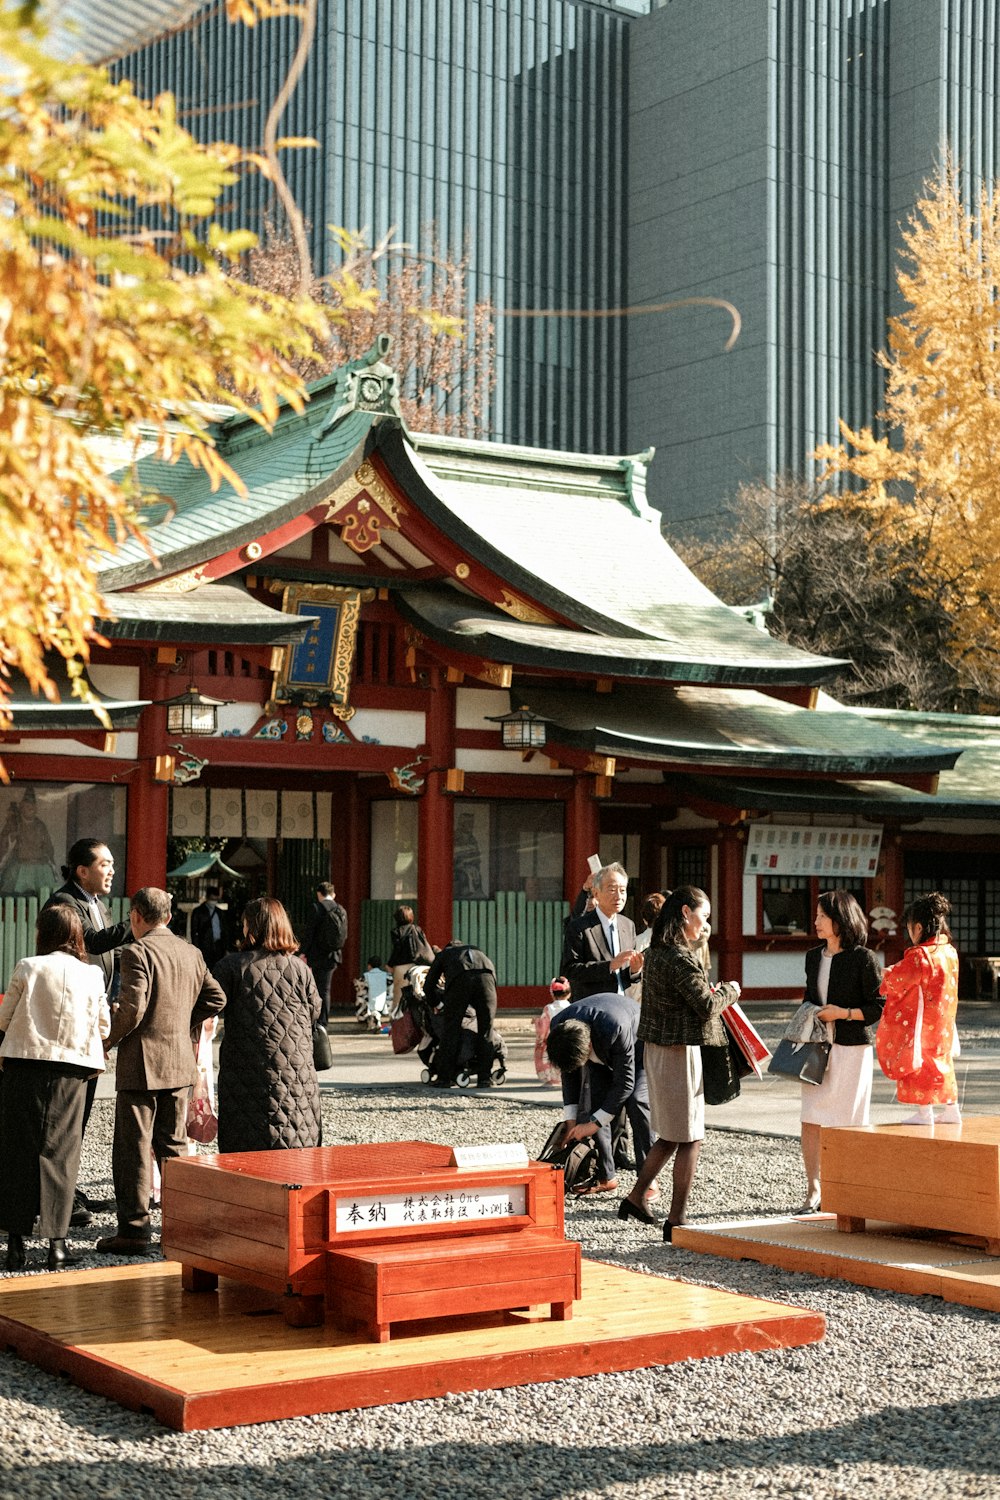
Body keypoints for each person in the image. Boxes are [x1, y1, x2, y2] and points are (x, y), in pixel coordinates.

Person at [96, 887, 226, 1256]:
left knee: (133, 1148)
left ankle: (134, 1231)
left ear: (136, 915)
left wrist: (107, 1041)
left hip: (143, 1063)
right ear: (168, 917)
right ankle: (183, 1225)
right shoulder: (191, 952)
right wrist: (185, 1021)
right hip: (179, 1061)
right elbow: (217, 998)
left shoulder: (137, 952)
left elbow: (133, 1008)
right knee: (174, 1146)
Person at [618, 886, 740, 1241]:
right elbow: (706, 1005)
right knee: (690, 1137)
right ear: (686, 912)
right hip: (677, 1052)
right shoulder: (679, 957)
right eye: (704, 916)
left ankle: (636, 1197)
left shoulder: (657, 951)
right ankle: (677, 1219)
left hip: (658, 1049)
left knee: (673, 1135)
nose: (706, 924)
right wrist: (731, 990)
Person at [0, 906, 110, 1270]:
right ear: (78, 936)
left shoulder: (28, 966)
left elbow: (4, 1018)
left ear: (42, 933)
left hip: (24, 1064)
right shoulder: (93, 975)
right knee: (62, 1152)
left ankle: (15, 1243)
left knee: (18, 1149)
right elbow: (104, 1027)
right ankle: (56, 1245)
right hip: (72, 1069)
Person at [43, 837, 132, 1224]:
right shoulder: (64, 903)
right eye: (104, 864)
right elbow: (88, 943)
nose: (112, 870)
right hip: (66, 1026)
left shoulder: (99, 904)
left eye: (112, 863)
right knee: (61, 1115)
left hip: (92, 1020)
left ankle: (69, 1189)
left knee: (81, 1112)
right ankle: (54, 1197)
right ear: (82, 870)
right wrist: (137, 925)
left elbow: (108, 956)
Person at [790, 889, 884, 1212]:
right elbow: (808, 995)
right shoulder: (813, 956)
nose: (815, 922)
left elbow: (876, 1008)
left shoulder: (864, 958)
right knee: (810, 1118)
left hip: (851, 1050)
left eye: (821, 916)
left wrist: (841, 1013)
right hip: (817, 1047)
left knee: (848, 1120)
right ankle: (813, 1189)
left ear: (840, 919)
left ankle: (846, 1189)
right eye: (816, 915)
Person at [213, 896, 323, 1153]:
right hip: (297, 1071)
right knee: (295, 1131)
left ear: (252, 927)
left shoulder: (231, 966)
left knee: (247, 1137)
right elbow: (314, 1011)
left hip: (246, 1069)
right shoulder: (301, 968)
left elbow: (207, 1006)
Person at [546, 990, 653, 1196]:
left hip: (638, 1045)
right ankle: (606, 1175)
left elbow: (625, 1084)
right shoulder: (560, 1028)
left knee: (637, 1102)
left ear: (587, 1047)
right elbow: (569, 1074)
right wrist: (571, 1121)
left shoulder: (615, 1027)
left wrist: (592, 1125)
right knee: (594, 1104)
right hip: (597, 1042)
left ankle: (648, 1178)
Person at [877, 891, 961, 1127]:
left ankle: (925, 1114)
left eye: (910, 928)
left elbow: (900, 979)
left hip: (922, 1021)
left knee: (917, 1060)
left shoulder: (921, 955)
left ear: (919, 928)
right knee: (942, 1060)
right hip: (944, 1018)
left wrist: (885, 974)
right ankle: (952, 1108)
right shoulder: (949, 952)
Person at [423, 941, 500, 1087]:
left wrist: (437, 1004)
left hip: (460, 979)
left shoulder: (444, 954)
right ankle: (484, 1078)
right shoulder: (478, 950)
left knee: (451, 1029)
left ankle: (444, 1078)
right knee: (486, 1029)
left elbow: (429, 985)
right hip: (487, 979)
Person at [561, 863, 643, 1000]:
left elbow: (630, 977)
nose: (619, 896)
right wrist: (610, 965)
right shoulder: (579, 927)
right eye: (612, 890)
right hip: (593, 1007)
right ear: (596, 893)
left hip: (624, 1006)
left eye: (623, 891)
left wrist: (635, 970)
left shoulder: (628, 926)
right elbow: (570, 971)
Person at [301, 880, 347, 1027]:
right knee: (325, 989)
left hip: (317, 955)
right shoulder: (340, 910)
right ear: (333, 894)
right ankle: (323, 1020)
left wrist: (304, 952)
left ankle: (318, 1019)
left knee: (317, 988)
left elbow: (310, 933)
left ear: (319, 894)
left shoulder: (316, 908)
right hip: (334, 955)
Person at [0, 787, 58, 894]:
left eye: (33, 806)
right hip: (19, 868)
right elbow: (4, 845)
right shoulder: (14, 824)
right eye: (27, 806)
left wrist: (51, 864)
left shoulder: (40, 826)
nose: (31, 809)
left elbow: (48, 849)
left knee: (43, 895)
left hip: (39, 869)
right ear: (21, 807)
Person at [387, 904, 435, 1008]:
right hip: (418, 966)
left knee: (399, 996)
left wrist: (389, 964)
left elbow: (397, 950)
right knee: (416, 993)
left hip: (401, 967)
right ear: (411, 917)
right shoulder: (417, 929)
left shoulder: (396, 932)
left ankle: (399, 1021)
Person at [190, 885, 234, 969]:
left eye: (215, 899)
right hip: (205, 946)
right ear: (207, 897)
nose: (213, 901)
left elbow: (224, 929)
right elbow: (194, 931)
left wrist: (226, 947)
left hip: (219, 945)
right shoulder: (198, 912)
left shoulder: (219, 912)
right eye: (212, 899)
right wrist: (196, 947)